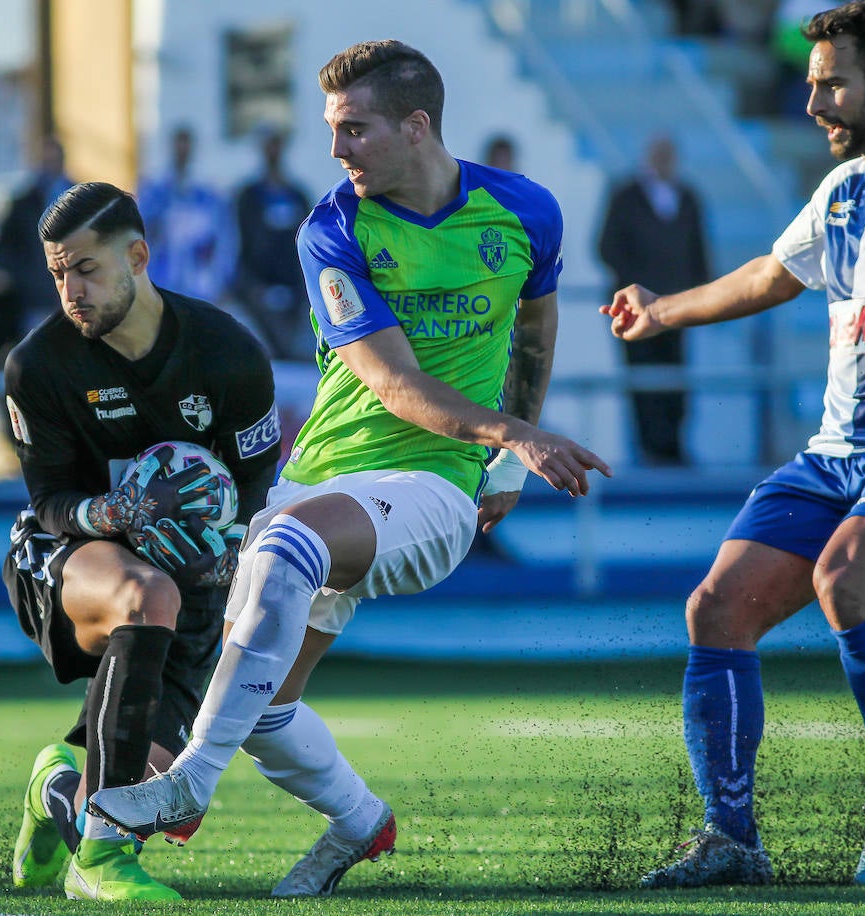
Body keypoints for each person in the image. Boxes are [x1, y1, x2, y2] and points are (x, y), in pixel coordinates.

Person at [90, 40, 610, 898]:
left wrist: (507, 459)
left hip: (435, 486)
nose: (336, 151)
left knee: (285, 550)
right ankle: (363, 823)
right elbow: (393, 382)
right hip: (325, 474)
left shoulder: (526, 211)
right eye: (332, 130)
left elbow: (536, 332)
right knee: (260, 704)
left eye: (354, 130)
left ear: (417, 126)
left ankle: (185, 787)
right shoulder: (332, 228)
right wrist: (517, 433)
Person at [600, 0, 865, 888]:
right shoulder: (846, 190)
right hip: (834, 450)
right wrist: (661, 308)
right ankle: (731, 839)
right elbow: (768, 276)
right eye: (812, 82)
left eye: (832, 85)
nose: (813, 101)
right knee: (716, 609)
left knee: (846, 580)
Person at [2, 181, 280, 901]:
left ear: (137, 256)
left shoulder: (229, 354)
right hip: (63, 559)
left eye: (86, 269)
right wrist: (121, 512)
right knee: (141, 592)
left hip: (191, 574)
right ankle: (100, 860)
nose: (71, 290)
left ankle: (57, 786)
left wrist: (228, 559)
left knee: (148, 784)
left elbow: (256, 487)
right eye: (59, 272)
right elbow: (51, 501)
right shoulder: (39, 366)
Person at [596, 133, 712, 466]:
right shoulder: (626, 196)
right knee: (643, 376)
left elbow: (699, 251)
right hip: (634, 312)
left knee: (676, 377)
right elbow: (607, 246)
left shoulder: (687, 197)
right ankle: (649, 448)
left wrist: (696, 293)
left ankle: (673, 446)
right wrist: (638, 288)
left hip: (677, 308)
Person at [0, 136, 74, 370]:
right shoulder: (23, 203)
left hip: (74, 296)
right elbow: (6, 247)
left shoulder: (78, 196)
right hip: (35, 300)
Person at [232, 127, 313, 360]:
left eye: (277, 144)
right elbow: (240, 241)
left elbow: (306, 245)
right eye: (268, 145)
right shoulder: (248, 196)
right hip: (257, 291)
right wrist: (250, 286)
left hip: (293, 292)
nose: (273, 151)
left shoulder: (297, 195)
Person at [137, 125, 235, 304]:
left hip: (199, 288)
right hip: (161, 285)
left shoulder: (207, 196)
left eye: (186, 144)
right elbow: (141, 232)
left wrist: (223, 280)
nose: (182, 150)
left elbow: (224, 241)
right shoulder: (155, 193)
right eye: (179, 144)